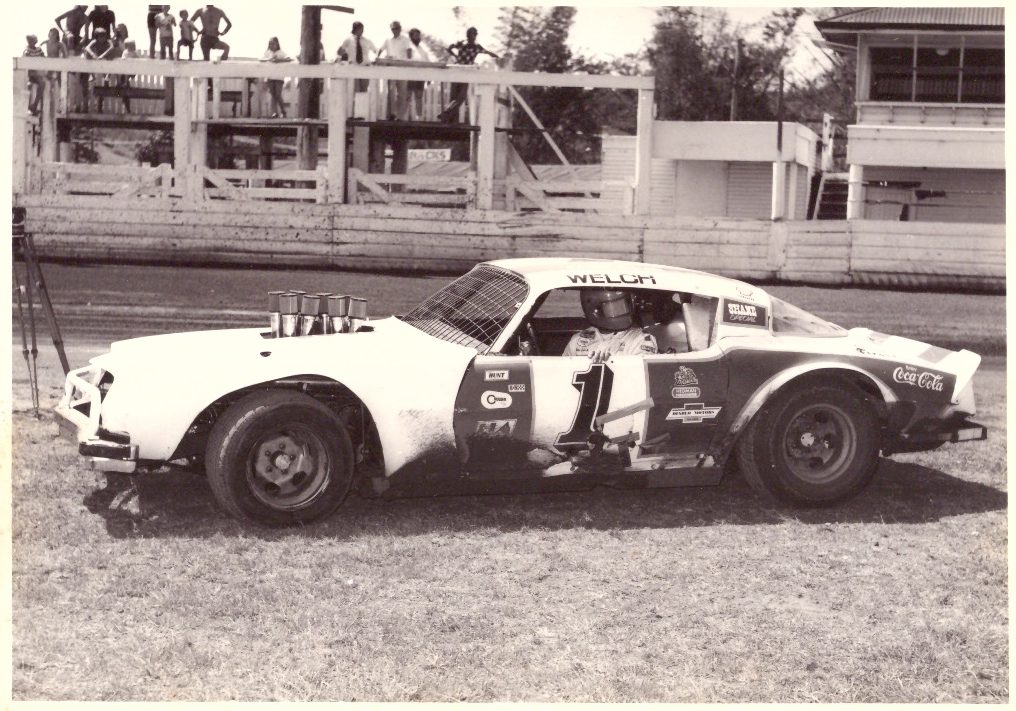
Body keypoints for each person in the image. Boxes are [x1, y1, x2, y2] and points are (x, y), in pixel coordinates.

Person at [562, 290, 658, 361]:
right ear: (596, 310)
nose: (623, 310)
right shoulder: (577, 341)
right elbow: (561, 375)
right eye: (615, 306)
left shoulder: (641, 340)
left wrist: (610, 364)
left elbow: (640, 379)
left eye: (626, 304)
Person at [437, 27, 499, 123]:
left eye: (473, 34)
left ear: (475, 36)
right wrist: (455, 56)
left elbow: (488, 53)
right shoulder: (462, 44)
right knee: (456, 97)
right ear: (467, 35)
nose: (472, 36)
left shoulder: (476, 47)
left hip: (465, 72)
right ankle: (450, 119)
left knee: (460, 97)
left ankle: (446, 115)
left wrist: (497, 57)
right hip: (459, 71)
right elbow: (449, 48)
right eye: (470, 34)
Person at [377, 21, 412, 120]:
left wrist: (409, 62)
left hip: (402, 68)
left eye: (396, 28)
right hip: (391, 67)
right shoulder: (388, 40)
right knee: (391, 92)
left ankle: (400, 116)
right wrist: (377, 58)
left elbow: (409, 51)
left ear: (400, 28)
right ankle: (392, 114)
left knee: (402, 93)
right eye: (393, 29)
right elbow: (380, 49)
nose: (395, 30)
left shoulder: (405, 39)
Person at [336, 21, 375, 92]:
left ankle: (363, 103)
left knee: (364, 91)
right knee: (355, 90)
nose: (361, 31)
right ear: (354, 29)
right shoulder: (348, 40)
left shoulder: (367, 41)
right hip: (353, 67)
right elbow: (339, 53)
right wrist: (342, 51)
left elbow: (376, 51)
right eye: (359, 29)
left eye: (362, 29)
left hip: (365, 67)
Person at [83, 27, 115, 112]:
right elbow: (87, 48)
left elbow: (111, 48)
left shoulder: (108, 42)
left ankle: (107, 77)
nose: (103, 38)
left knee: (112, 56)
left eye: (104, 36)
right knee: (86, 54)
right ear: (97, 37)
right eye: (100, 36)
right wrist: (93, 55)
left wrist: (102, 56)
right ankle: (91, 74)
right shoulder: (94, 42)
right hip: (97, 61)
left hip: (105, 61)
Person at [259, 36, 292, 118]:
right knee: (273, 95)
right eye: (270, 43)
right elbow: (260, 59)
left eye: (273, 43)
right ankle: (275, 112)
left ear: (277, 44)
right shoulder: (268, 52)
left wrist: (279, 60)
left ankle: (283, 111)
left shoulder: (281, 52)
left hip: (279, 77)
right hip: (270, 76)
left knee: (278, 94)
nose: (271, 45)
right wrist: (269, 59)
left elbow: (289, 59)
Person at [406, 28, 431, 120]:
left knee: (419, 97)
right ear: (411, 37)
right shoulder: (408, 47)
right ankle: (405, 117)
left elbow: (428, 64)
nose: (418, 38)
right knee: (407, 96)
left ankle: (419, 117)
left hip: (420, 76)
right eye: (416, 36)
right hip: (409, 75)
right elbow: (407, 60)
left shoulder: (423, 50)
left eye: (419, 36)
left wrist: (429, 77)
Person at [23, 35, 45, 115]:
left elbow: (44, 59)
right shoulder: (27, 50)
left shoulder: (39, 50)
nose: (31, 42)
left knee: (42, 83)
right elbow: (26, 61)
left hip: (38, 73)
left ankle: (35, 105)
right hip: (30, 74)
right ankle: (28, 107)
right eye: (29, 41)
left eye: (32, 40)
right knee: (29, 85)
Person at [115, 39, 138, 112]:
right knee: (124, 91)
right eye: (129, 46)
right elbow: (123, 59)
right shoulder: (125, 52)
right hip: (124, 72)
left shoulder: (134, 53)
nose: (131, 47)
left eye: (132, 46)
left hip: (129, 71)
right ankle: (119, 84)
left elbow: (138, 60)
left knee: (126, 90)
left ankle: (127, 107)